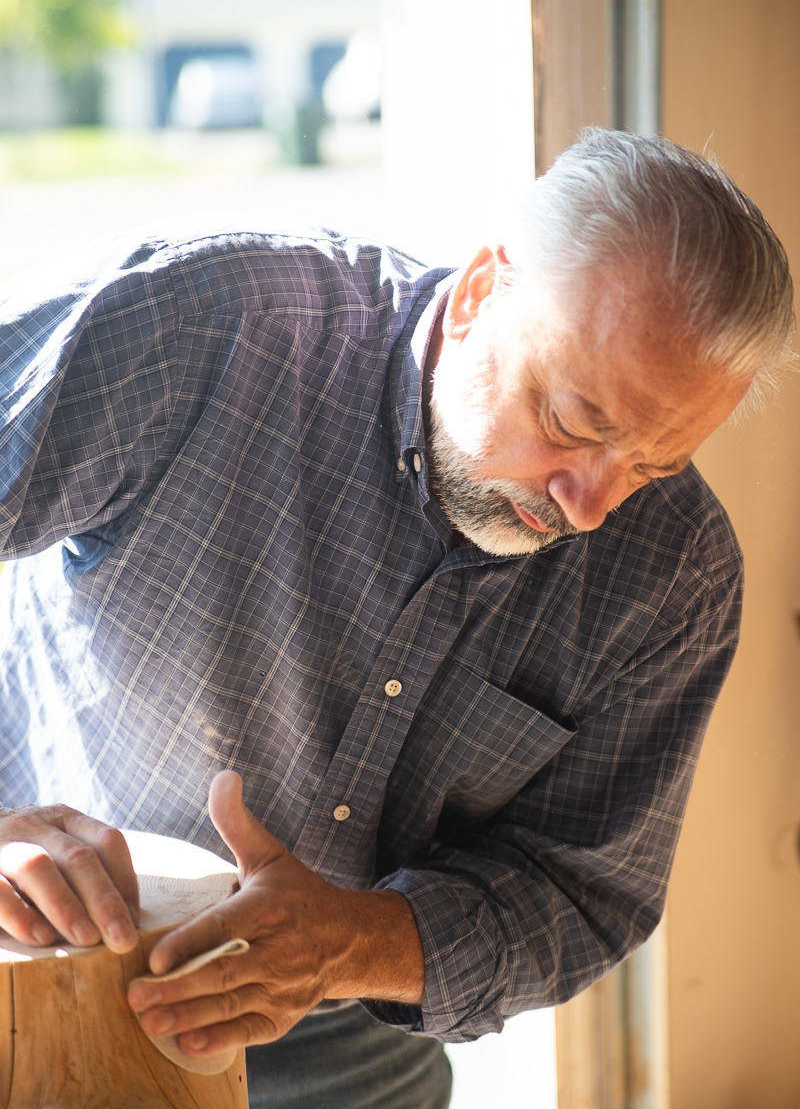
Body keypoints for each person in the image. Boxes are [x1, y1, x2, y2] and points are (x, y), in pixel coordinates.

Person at [0, 128, 793, 1108]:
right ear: (476, 298)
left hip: (341, 1032)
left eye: (648, 464)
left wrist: (348, 944)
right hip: (25, 971)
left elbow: (580, 894)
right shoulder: (198, 321)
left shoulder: (675, 569)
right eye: (573, 424)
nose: (589, 507)